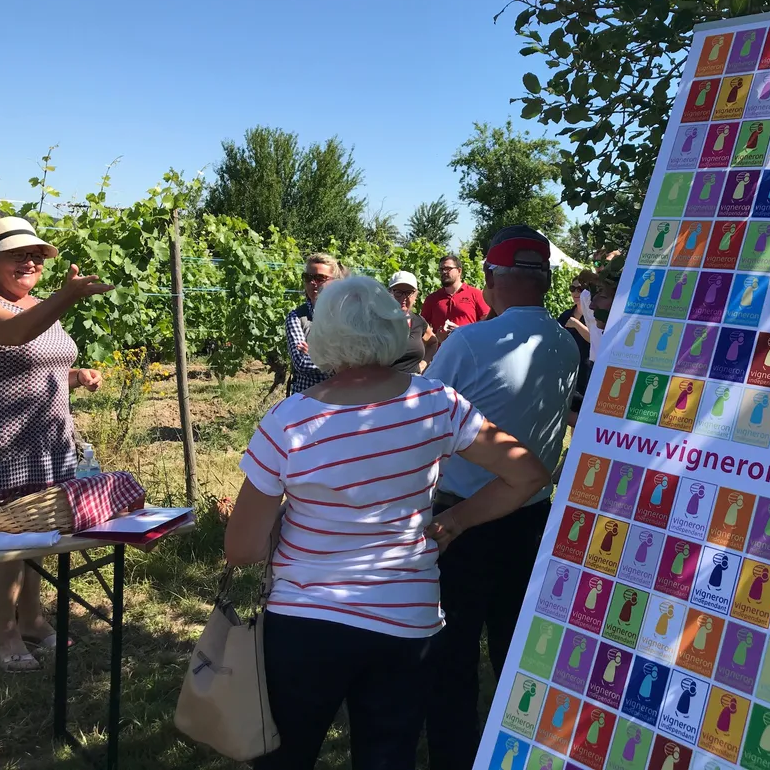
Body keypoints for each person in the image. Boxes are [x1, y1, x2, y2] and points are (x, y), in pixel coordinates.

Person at [225, 275, 549, 770]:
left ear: (321, 337)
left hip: (305, 621)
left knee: (284, 756)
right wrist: (456, 521)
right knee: (388, 755)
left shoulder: (288, 420)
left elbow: (242, 548)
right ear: (393, 329)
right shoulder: (436, 402)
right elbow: (527, 474)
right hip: (407, 619)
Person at [424, 226, 579, 770]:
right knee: (517, 644)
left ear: (490, 280)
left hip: (463, 520)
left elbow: (424, 415)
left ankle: (455, 756)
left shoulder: (468, 341)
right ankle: (522, 750)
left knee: (453, 652)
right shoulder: (566, 343)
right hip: (532, 516)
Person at [0, 217, 112, 672]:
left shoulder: (42, 304)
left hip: (49, 436)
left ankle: (33, 619)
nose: (28, 262)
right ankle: (4, 634)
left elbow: (39, 364)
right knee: (3, 536)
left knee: (41, 528)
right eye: (16, 254)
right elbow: (17, 336)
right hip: (1, 440)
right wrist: (68, 295)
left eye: (35, 255)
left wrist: (75, 377)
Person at [285, 253, 344, 395]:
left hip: (341, 396)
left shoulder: (345, 316)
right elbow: (302, 363)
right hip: (307, 399)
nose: (313, 282)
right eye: (308, 278)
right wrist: (340, 361)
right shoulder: (296, 317)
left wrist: (315, 354)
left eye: (320, 278)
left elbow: (360, 359)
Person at [420, 254, 490, 342]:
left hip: (467, 351)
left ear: (459, 271)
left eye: (448, 269)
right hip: (442, 353)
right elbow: (422, 328)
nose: (444, 272)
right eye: (441, 269)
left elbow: (487, 322)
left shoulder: (475, 294)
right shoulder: (432, 299)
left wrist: (462, 331)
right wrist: (436, 337)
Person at [557, 270, 596, 416]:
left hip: (587, 371)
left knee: (582, 417)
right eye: (572, 288)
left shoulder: (594, 316)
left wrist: (577, 325)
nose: (576, 292)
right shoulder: (566, 315)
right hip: (567, 371)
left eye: (580, 288)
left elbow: (595, 340)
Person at [387, 271, 437, 373]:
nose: (403, 297)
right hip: (384, 385)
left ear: (415, 295)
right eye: (398, 292)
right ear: (389, 293)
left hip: (413, 385)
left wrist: (423, 365)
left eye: (408, 292)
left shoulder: (419, 322)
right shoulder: (378, 321)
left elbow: (433, 342)